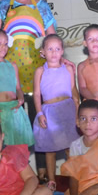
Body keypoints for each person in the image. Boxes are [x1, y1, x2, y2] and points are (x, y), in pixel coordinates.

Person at [0, 0, 57, 95]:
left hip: (38, 64)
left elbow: (52, 36)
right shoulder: (3, 6)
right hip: (9, 65)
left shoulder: (42, 6)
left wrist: (59, 57)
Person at [33, 34, 80, 186]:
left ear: (62, 51)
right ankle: (52, 180)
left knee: (71, 148)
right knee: (50, 149)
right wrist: (39, 113)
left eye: (57, 49)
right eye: (50, 49)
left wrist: (78, 109)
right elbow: (37, 94)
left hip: (68, 111)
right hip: (49, 113)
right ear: (43, 51)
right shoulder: (40, 71)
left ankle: (74, 180)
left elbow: (73, 89)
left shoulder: (68, 68)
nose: (54, 52)